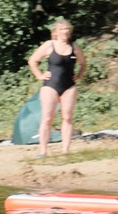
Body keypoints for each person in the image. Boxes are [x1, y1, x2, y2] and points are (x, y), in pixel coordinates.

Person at [26, 19, 83, 158]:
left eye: (67, 29)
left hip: (69, 86)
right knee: (47, 118)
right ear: (55, 32)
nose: (65, 31)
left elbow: (83, 63)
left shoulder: (74, 46)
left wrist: (79, 75)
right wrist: (39, 75)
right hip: (50, 86)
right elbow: (32, 61)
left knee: (67, 117)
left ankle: (65, 150)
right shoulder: (49, 45)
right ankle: (43, 151)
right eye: (62, 29)